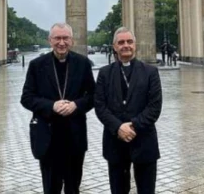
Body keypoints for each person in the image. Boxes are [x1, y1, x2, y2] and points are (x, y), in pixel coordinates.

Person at [21, 22, 96, 194]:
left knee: (73, 188)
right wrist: (51, 106)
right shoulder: (37, 65)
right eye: (57, 38)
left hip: (74, 138)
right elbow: (26, 98)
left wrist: (76, 105)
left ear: (72, 40)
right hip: (48, 138)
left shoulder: (83, 63)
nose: (61, 42)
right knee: (51, 189)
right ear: (50, 40)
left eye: (65, 38)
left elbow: (93, 96)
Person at [95, 27, 162, 194]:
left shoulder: (151, 72)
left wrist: (132, 126)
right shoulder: (104, 73)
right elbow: (100, 106)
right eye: (121, 42)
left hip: (144, 141)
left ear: (135, 45)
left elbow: (154, 107)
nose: (126, 45)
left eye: (129, 41)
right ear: (114, 47)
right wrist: (118, 127)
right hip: (115, 142)